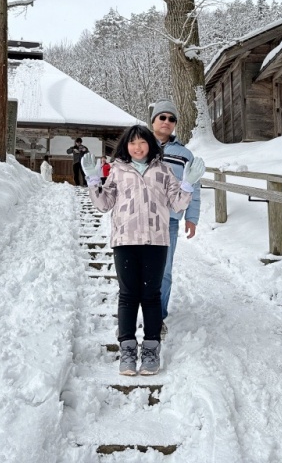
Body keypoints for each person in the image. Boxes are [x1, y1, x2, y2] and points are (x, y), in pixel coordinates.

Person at [81, 125, 205, 376]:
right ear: (126, 146)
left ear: (150, 144)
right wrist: (95, 181)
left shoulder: (164, 171)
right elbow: (104, 205)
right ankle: (127, 349)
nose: (137, 147)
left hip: (156, 241)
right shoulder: (118, 171)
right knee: (127, 296)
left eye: (142, 142)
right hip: (125, 241)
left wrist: (188, 184)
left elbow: (177, 204)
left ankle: (151, 348)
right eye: (132, 143)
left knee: (151, 296)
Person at [150, 100, 202, 339]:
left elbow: (194, 187)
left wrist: (191, 217)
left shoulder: (184, 154)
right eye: (162, 117)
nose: (167, 122)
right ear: (152, 120)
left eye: (172, 119)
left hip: (170, 219)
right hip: (140, 219)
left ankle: (157, 317)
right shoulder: (138, 146)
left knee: (164, 272)